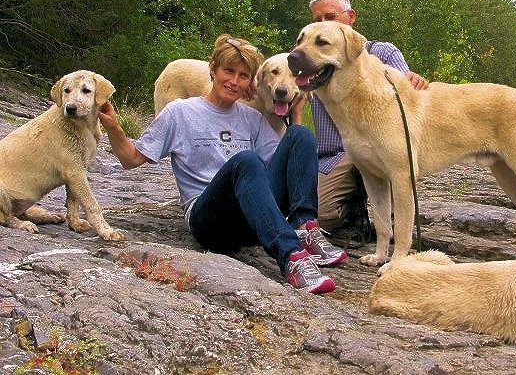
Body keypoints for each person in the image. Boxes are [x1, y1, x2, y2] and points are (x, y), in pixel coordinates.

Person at [98, 34, 347, 294]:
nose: (234, 81)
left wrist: (295, 114)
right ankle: (292, 258)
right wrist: (114, 127)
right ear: (213, 70)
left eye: (243, 76)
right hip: (209, 221)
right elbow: (130, 159)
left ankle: (306, 228)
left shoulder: (252, 118)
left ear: (250, 81)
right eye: (228, 72)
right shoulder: (180, 112)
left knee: (301, 135)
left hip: (253, 219)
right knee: (246, 161)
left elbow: (284, 170)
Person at [293, 0, 429, 233]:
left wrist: (414, 82)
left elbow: (410, 99)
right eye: (317, 20)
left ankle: (394, 221)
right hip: (336, 155)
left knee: (399, 200)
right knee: (322, 216)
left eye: (330, 16)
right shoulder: (311, 61)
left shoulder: (383, 53)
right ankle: (354, 208)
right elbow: (280, 88)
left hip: (381, 144)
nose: (322, 24)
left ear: (351, 17)